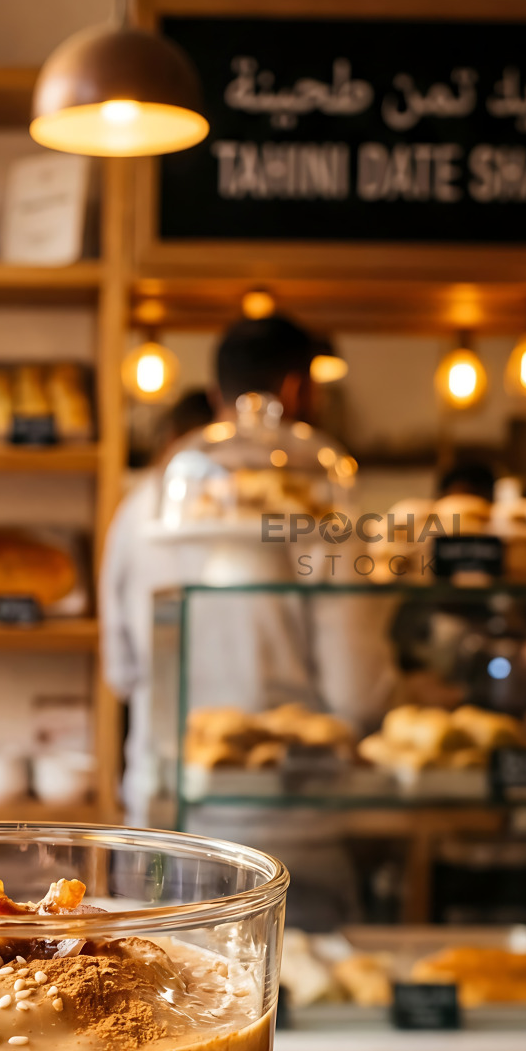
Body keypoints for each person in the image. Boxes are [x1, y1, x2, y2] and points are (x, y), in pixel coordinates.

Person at [100, 314, 396, 926]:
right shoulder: (321, 510)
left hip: (161, 829)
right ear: (297, 391)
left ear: (215, 396)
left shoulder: (142, 506)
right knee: (300, 1009)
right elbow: (356, 693)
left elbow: (122, 673)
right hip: (285, 832)